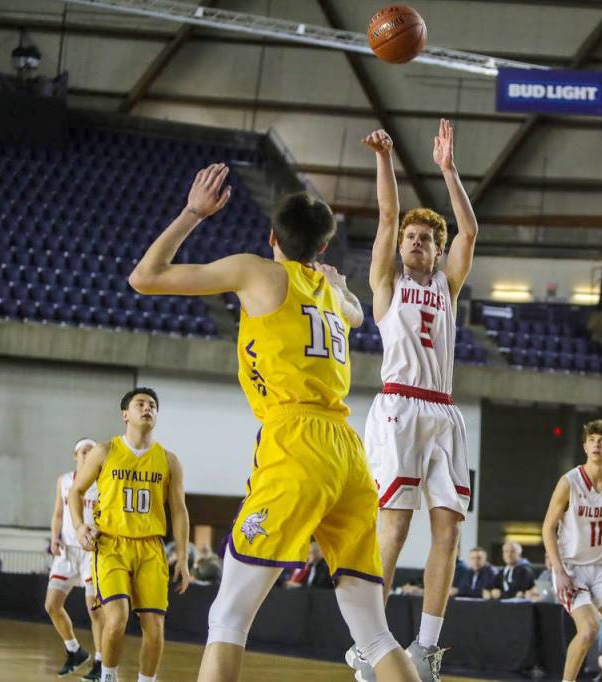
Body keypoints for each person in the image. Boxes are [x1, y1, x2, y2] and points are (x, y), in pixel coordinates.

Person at [127, 164, 420, 682]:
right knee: (373, 634)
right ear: (323, 249)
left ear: (271, 238)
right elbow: (355, 311)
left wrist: (194, 211)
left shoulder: (258, 271)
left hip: (296, 441)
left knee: (228, 617)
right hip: (349, 454)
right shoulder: (332, 294)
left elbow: (144, 277)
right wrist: (339, 287)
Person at [353, 119, 479, 682]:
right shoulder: (387, 284)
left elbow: (470, 232)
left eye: (426, 238)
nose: (416, 243)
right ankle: (370, 641)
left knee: (449, 529)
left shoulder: (447, 286)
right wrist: (385, 159)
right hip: (400, 406)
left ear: (437, 248)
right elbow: (385, 216)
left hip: (443, 410)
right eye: (411, 237)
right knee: (394, 530)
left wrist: (449, 171)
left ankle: (426, 647)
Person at [70, 388, 191, 682]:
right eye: (140, 404)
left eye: (152, 405)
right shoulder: (105, 451)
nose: (147, 408)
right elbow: (76, 490)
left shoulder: (169, 460)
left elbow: (179, 510)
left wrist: (184, 558)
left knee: (155, 627)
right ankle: (108, 676)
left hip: (151, 547)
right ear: (126, 414)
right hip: (111, 544)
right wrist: (79, 526)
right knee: (118, 618)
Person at [543, 419, 602, 682]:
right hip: (572, 568)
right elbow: (547, 528)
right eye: (592, 440)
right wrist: (559, 570)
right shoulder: (570, 482)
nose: (597, 444)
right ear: (585, 447)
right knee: (588, 631)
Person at [46, 438, 104, 679]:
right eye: (83, 451)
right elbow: (58, 513)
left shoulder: (103, 482)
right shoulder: (65, 481)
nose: (87, 454)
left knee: (95, 610)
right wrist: (54, 537)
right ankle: (75, 651)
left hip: (91, 551)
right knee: (51, 605)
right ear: (75, 455)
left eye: (91, 451)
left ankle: (101, 663)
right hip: (68, 551)